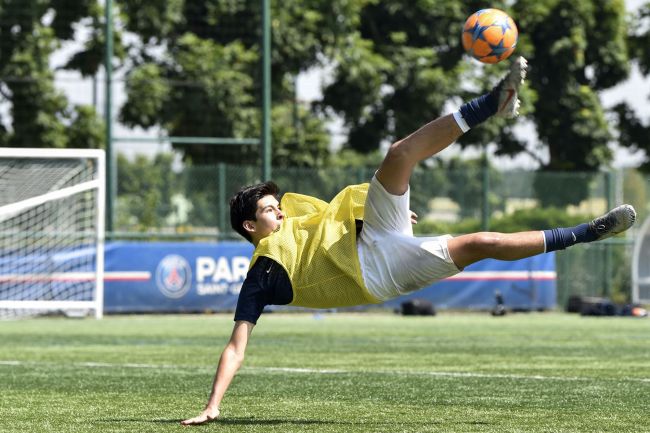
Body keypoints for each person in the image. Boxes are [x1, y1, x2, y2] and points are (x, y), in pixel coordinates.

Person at [180, 57, 636, 425]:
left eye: (276, 203)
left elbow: (333, 226)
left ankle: (492, 103)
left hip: (376, 233)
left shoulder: (296, 216)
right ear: (249, 228)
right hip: (380, 273)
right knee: (482, 242)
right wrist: (213, 405)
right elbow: (237, 344)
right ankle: (584, 234)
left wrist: (384, 214)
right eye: (267, 209)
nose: (278, 209)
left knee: (399, 153)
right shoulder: (262, 273)